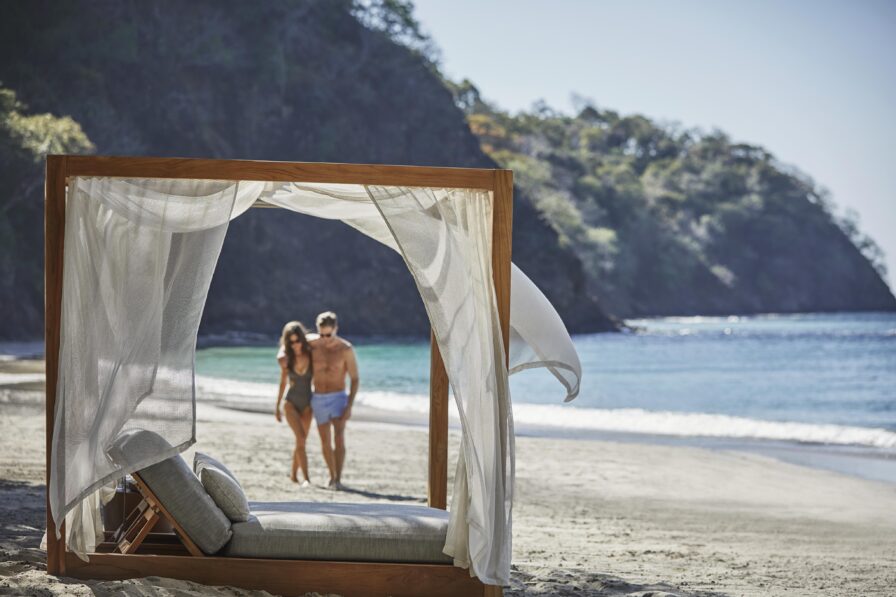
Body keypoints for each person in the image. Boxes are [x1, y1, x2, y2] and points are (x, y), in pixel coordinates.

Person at [309, 311, 359, 490]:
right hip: (318, 398)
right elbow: (291, 342)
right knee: (324, 440)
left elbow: (354, 378)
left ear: (336, 329)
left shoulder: (345, 349)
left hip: (338, 397)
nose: (325, 339)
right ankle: (331, 476)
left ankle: (338, 478)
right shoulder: (313, 345)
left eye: (328, 335)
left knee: (338, 438)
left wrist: (350, 405)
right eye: (321, 334)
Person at [275, 321, 314, 487]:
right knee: (301, 438)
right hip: (290, 403)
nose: (295, 344)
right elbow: (282, 383)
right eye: (291, 342)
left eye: (298, 340)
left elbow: (319, 338)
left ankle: (293, 475)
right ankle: (306, 479)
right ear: (287, 343)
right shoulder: (285, 360)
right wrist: (277, 407)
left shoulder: (311, 354)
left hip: (308, 404)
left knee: (301, 441)